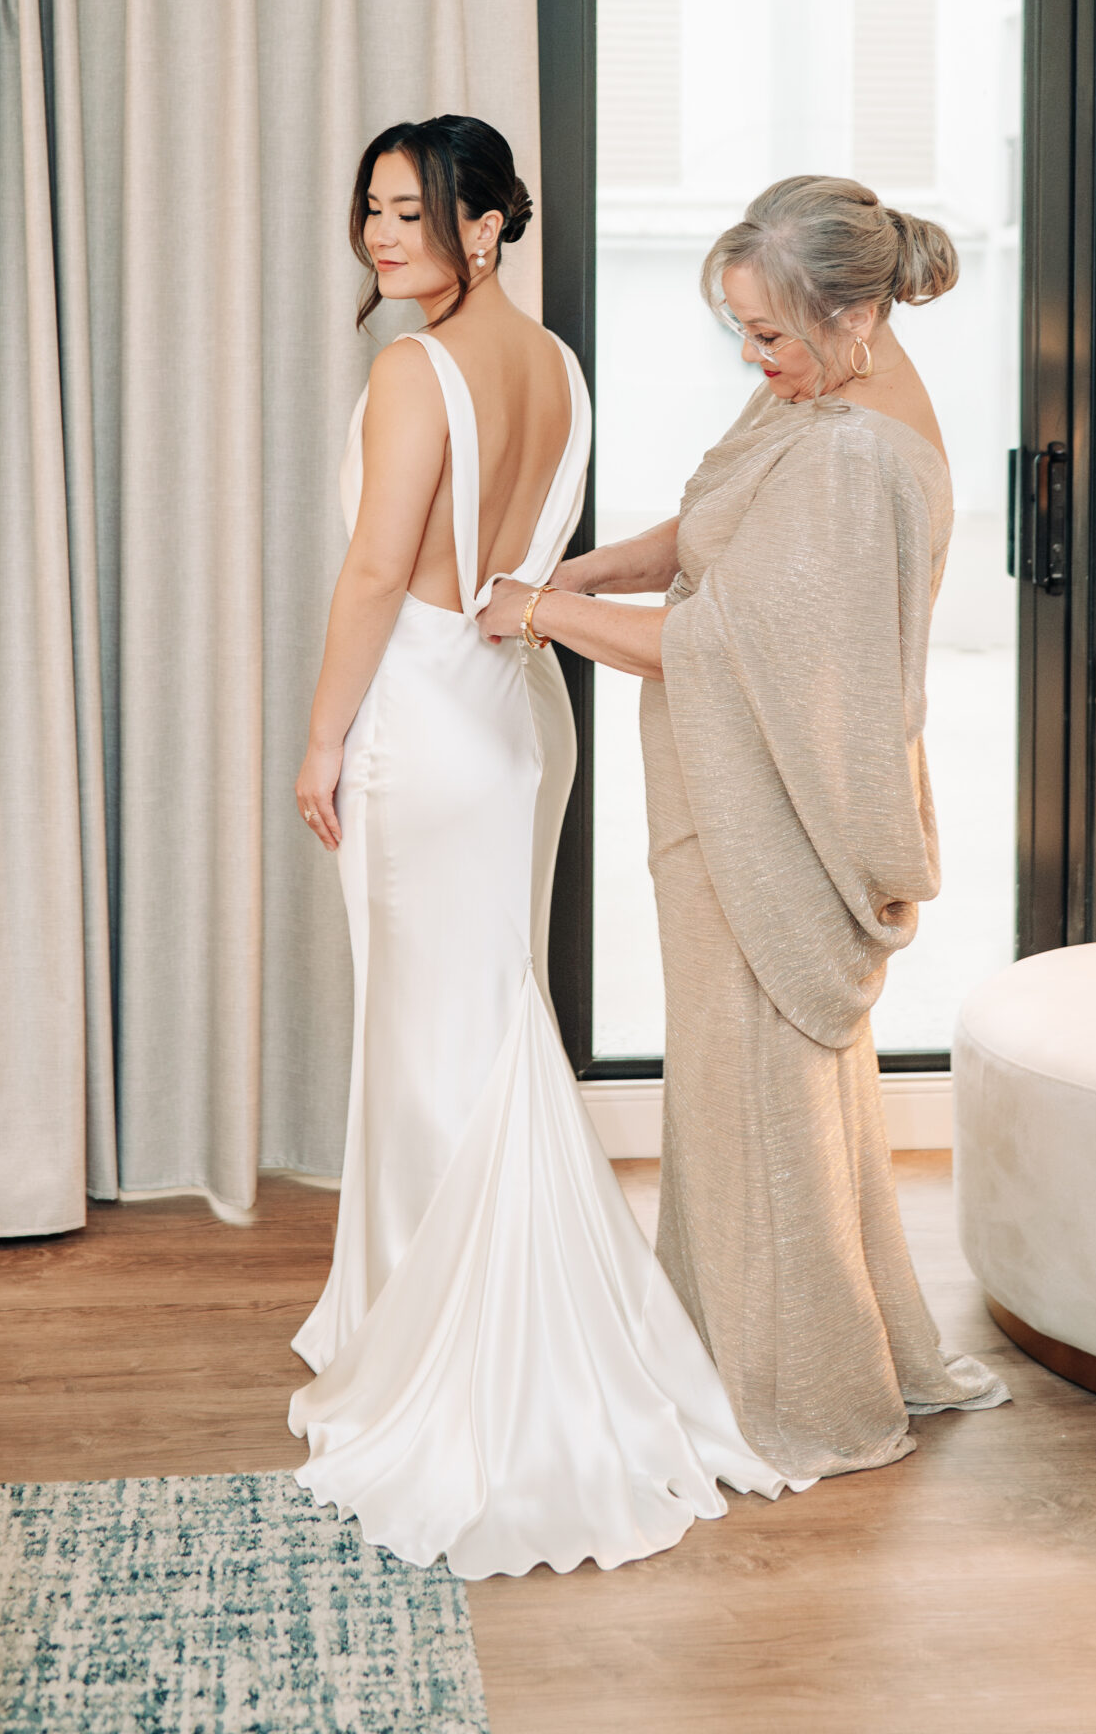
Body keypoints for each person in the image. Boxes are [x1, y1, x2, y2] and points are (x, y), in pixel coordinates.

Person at [290, 116, 793, 1578]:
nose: (386, 238)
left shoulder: (409, 371)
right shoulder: (561, 366)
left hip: (424, 728)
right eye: (372, 210)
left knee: (431, 1037)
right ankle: (453, 1312)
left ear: (491, 226)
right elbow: (520, 565)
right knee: (485, 1020)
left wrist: (322, 738)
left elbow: (381, 569)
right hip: (517, 719)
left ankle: (447, 1345)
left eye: (418, 214)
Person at [479, 174, 1009, 1480]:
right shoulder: (817, 395)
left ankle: (797, 1395)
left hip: (778, 815)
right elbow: (719, 530)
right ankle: (798, 1349)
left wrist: (538, 614)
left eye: (769, 333)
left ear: (861, 315)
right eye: (740, 328)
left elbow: (720, 645)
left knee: (762, 1107)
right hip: (751, 795)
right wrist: (584, 572)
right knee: (761, 1106)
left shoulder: (850, 455)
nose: (750, 356)